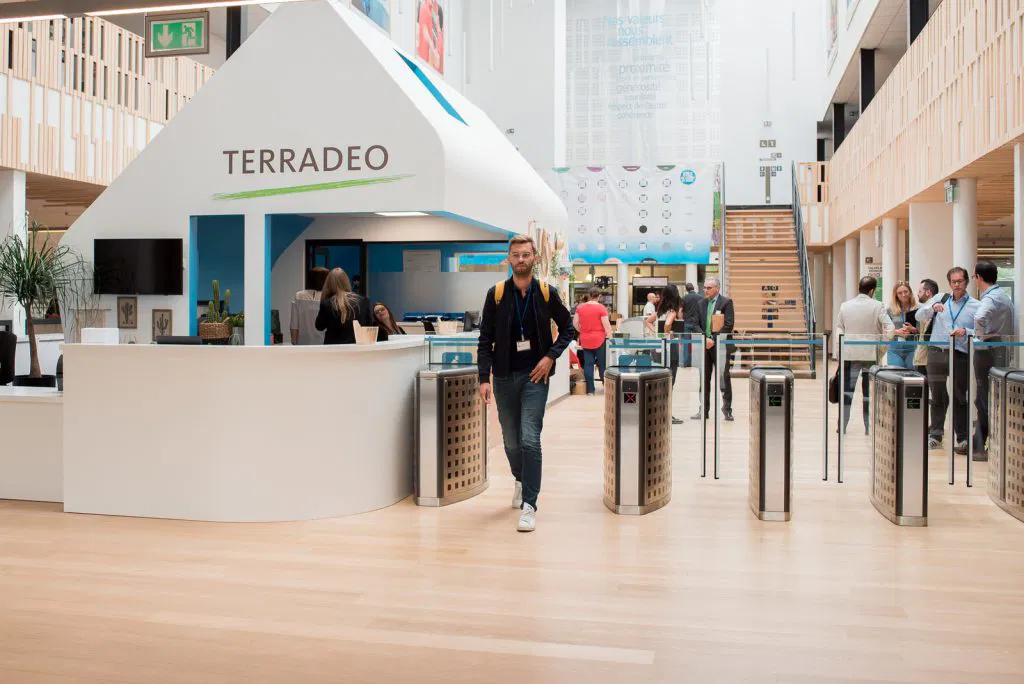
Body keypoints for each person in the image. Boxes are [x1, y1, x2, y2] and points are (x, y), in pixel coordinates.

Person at [477, 234, 573, 533]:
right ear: (509, 259)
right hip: (504, 377)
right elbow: (485, 338)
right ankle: (520, 479)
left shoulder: (546, 293)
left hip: (535, 376)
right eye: (516, 255)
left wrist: (550, 357)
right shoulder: (496, 294)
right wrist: (483, 377)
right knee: (511, 440)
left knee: (530, 438)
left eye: (526, 255)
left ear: (535, 258)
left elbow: (569, 329)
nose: (520, 259)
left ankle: (530, 504)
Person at [915, 266, 979, 452]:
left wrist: (966, 331)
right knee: (937, 395)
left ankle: (963, 437)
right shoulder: (940, 298)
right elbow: (918, 315)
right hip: (936, 352)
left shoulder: (975, 305)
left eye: (960, 281)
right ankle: (935, 434)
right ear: (949, 283)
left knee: (959, 396)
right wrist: (931, 308)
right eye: (953, 282)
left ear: (966, 281)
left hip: (960, 353)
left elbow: (981, 332)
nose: (956, 285)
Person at [834, 276, 895, 434]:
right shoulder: (878, 306)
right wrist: (881, 348)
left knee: (847, 393)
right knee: (869, 394)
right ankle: (868, 426)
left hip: (850, 355)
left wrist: (840, 352)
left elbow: (839, 330)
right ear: (872, 290)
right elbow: (890, 329)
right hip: (870, 355)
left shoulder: (845, 306)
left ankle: (842, 425)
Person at [971, 260, 1015, 461]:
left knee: (983, 399)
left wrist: (979, 337)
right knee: (990, 398)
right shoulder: (1003, 296)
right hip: (1000, 351)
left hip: (988, 352)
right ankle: (981, 444)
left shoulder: (990, 298)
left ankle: (980, 446)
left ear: (979, 278)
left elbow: (979, 317)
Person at [694, 277, 735, 422]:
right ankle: (704, 410)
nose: (705, 290)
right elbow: (695, 324)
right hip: (705, 346)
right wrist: (705, 338)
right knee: (704, 379)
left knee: (724, 378)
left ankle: (727, 409)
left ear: (717, 288)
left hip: (720, 346)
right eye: (704, 287)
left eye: (709, 288)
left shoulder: (726, 302)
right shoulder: (701, 303)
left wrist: (713, 339)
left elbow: (728, 324)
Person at [646, 285, 685, 424]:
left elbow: (648, 321)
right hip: (669, 348)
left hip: (657, 348)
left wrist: (658, 333)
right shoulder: (672, 311)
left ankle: (658, 411)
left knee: (659, 379)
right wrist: (668, 333)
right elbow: (668, 324)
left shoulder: (659, 310)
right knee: (669, 381)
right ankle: (666, 414)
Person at [314, 267, 373, 345]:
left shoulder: (327, 303)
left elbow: (319, 326)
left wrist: (325, 296)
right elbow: (369, 326)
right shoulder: (364, 301)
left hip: (334, 348)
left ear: (328, 284)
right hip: (357, 347)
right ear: (347, 282)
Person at [573, 287, 612, 395]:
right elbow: (607, 325)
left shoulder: (580, 308)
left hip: (585, 339)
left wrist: (582, 331)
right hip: (599, 339)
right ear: (599, 296)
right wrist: (611, 338)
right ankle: (606, 388)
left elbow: (575, 323)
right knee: (602, 364)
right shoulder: (601, 308)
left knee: (588, 364)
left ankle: (591, 390)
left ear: (589, 295)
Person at [290, 267, 329, 346]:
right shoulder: (329, 297)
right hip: (324, 343)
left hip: (303, 343)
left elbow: (294, 324)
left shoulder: (299, 295)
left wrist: (294, 342)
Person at [886, 281, 918, 369]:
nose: (903, 295)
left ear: (910, 292)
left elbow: (924, 330)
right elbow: (885, 329)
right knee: (896, 375)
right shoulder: (890, 310)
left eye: (905, 291)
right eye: (900, 293)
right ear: (896, 295)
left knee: (912, 375)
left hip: (913, 348)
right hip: (894, 349)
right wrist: (896, 332)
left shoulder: (918, 308)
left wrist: (913, 329)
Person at [913, 279, 940, 375]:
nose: (918, 294)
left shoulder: (930, 310)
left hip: (927, 356)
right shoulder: (924, 308)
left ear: (928, 292)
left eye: (920, 291)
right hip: (926, 355)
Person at [681, 281, 703, 368]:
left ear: (686, 289)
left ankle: (686, 363)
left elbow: (682, 310)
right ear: (693, 288)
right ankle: (698, 362)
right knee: (699, 343)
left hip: (687, 323)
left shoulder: (684, 298)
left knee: (686, 343)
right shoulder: (700, 297)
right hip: (697, 324)